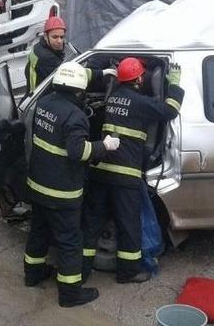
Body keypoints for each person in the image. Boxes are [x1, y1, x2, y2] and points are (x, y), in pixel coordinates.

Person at [23, 62, 121, 307]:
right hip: (62, 192)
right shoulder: (76, 116)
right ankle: (70, 294)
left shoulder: (44, 103)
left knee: (39, 231)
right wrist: (104, 147)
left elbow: (77, 75)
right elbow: (79, 152)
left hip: (37, 184)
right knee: (69, 242)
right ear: (80, 91)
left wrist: (101, 72)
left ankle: (33, 275)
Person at [82, 58, 185, 284]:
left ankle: (81, 270)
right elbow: (169, 111)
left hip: (101, 171)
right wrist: (175, 85)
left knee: (92, 223)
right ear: (139, 79)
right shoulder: (140, 102)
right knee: (128, 224)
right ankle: (128, 272)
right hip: (124, 174)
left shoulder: (111, 99)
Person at [25, 16, 115, 94]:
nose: (59, 41)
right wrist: (102, 72)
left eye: (62, 37)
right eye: (55, 37)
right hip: (41, 99)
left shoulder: (39, 47)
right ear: (45, 36)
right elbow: (71, 74)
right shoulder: (46, 57)